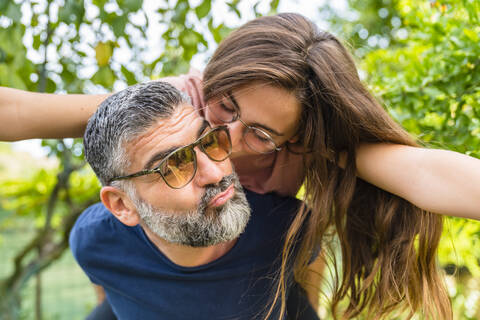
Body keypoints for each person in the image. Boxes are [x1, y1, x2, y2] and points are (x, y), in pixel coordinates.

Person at [1, 12, 479, 319]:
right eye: (225, 107)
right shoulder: (179, 110)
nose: (223, 144)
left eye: (260, 134)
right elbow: (20, 113)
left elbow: (424, 174)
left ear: (294, 138)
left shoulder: (302, 152)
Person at [72, 80, 318, 319]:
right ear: (122, 205)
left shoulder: (289, 227)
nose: (215, 173)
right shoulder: (93, 239)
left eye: (210, 141)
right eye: (173, 166)